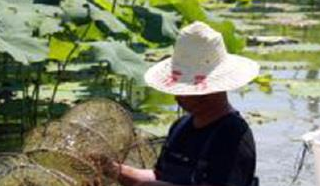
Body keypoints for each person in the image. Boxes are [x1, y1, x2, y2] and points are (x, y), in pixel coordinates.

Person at [103, 21, 260, 186]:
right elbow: (159, 177)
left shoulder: (233, 135)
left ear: (206, 92)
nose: (176, 95)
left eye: (183, 88)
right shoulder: (181, 126)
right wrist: (113, 169)